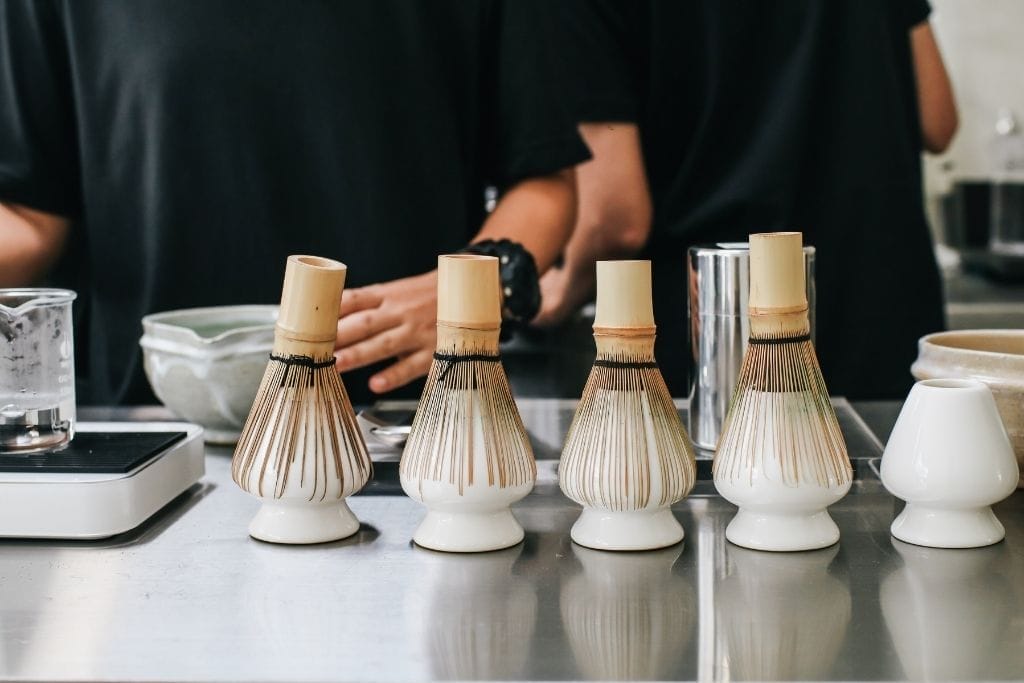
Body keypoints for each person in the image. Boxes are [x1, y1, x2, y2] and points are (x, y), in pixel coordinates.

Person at [0, 1, 588, 406]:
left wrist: (470, 289)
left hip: (402, 431)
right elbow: (32, 218)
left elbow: (545, 180)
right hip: (152, 437)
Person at [538, 0, 958, 400]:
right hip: (881, 321)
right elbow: (938, 120)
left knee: (731, 474)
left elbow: (616, 221)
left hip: (724, 345)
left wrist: (559, 292)